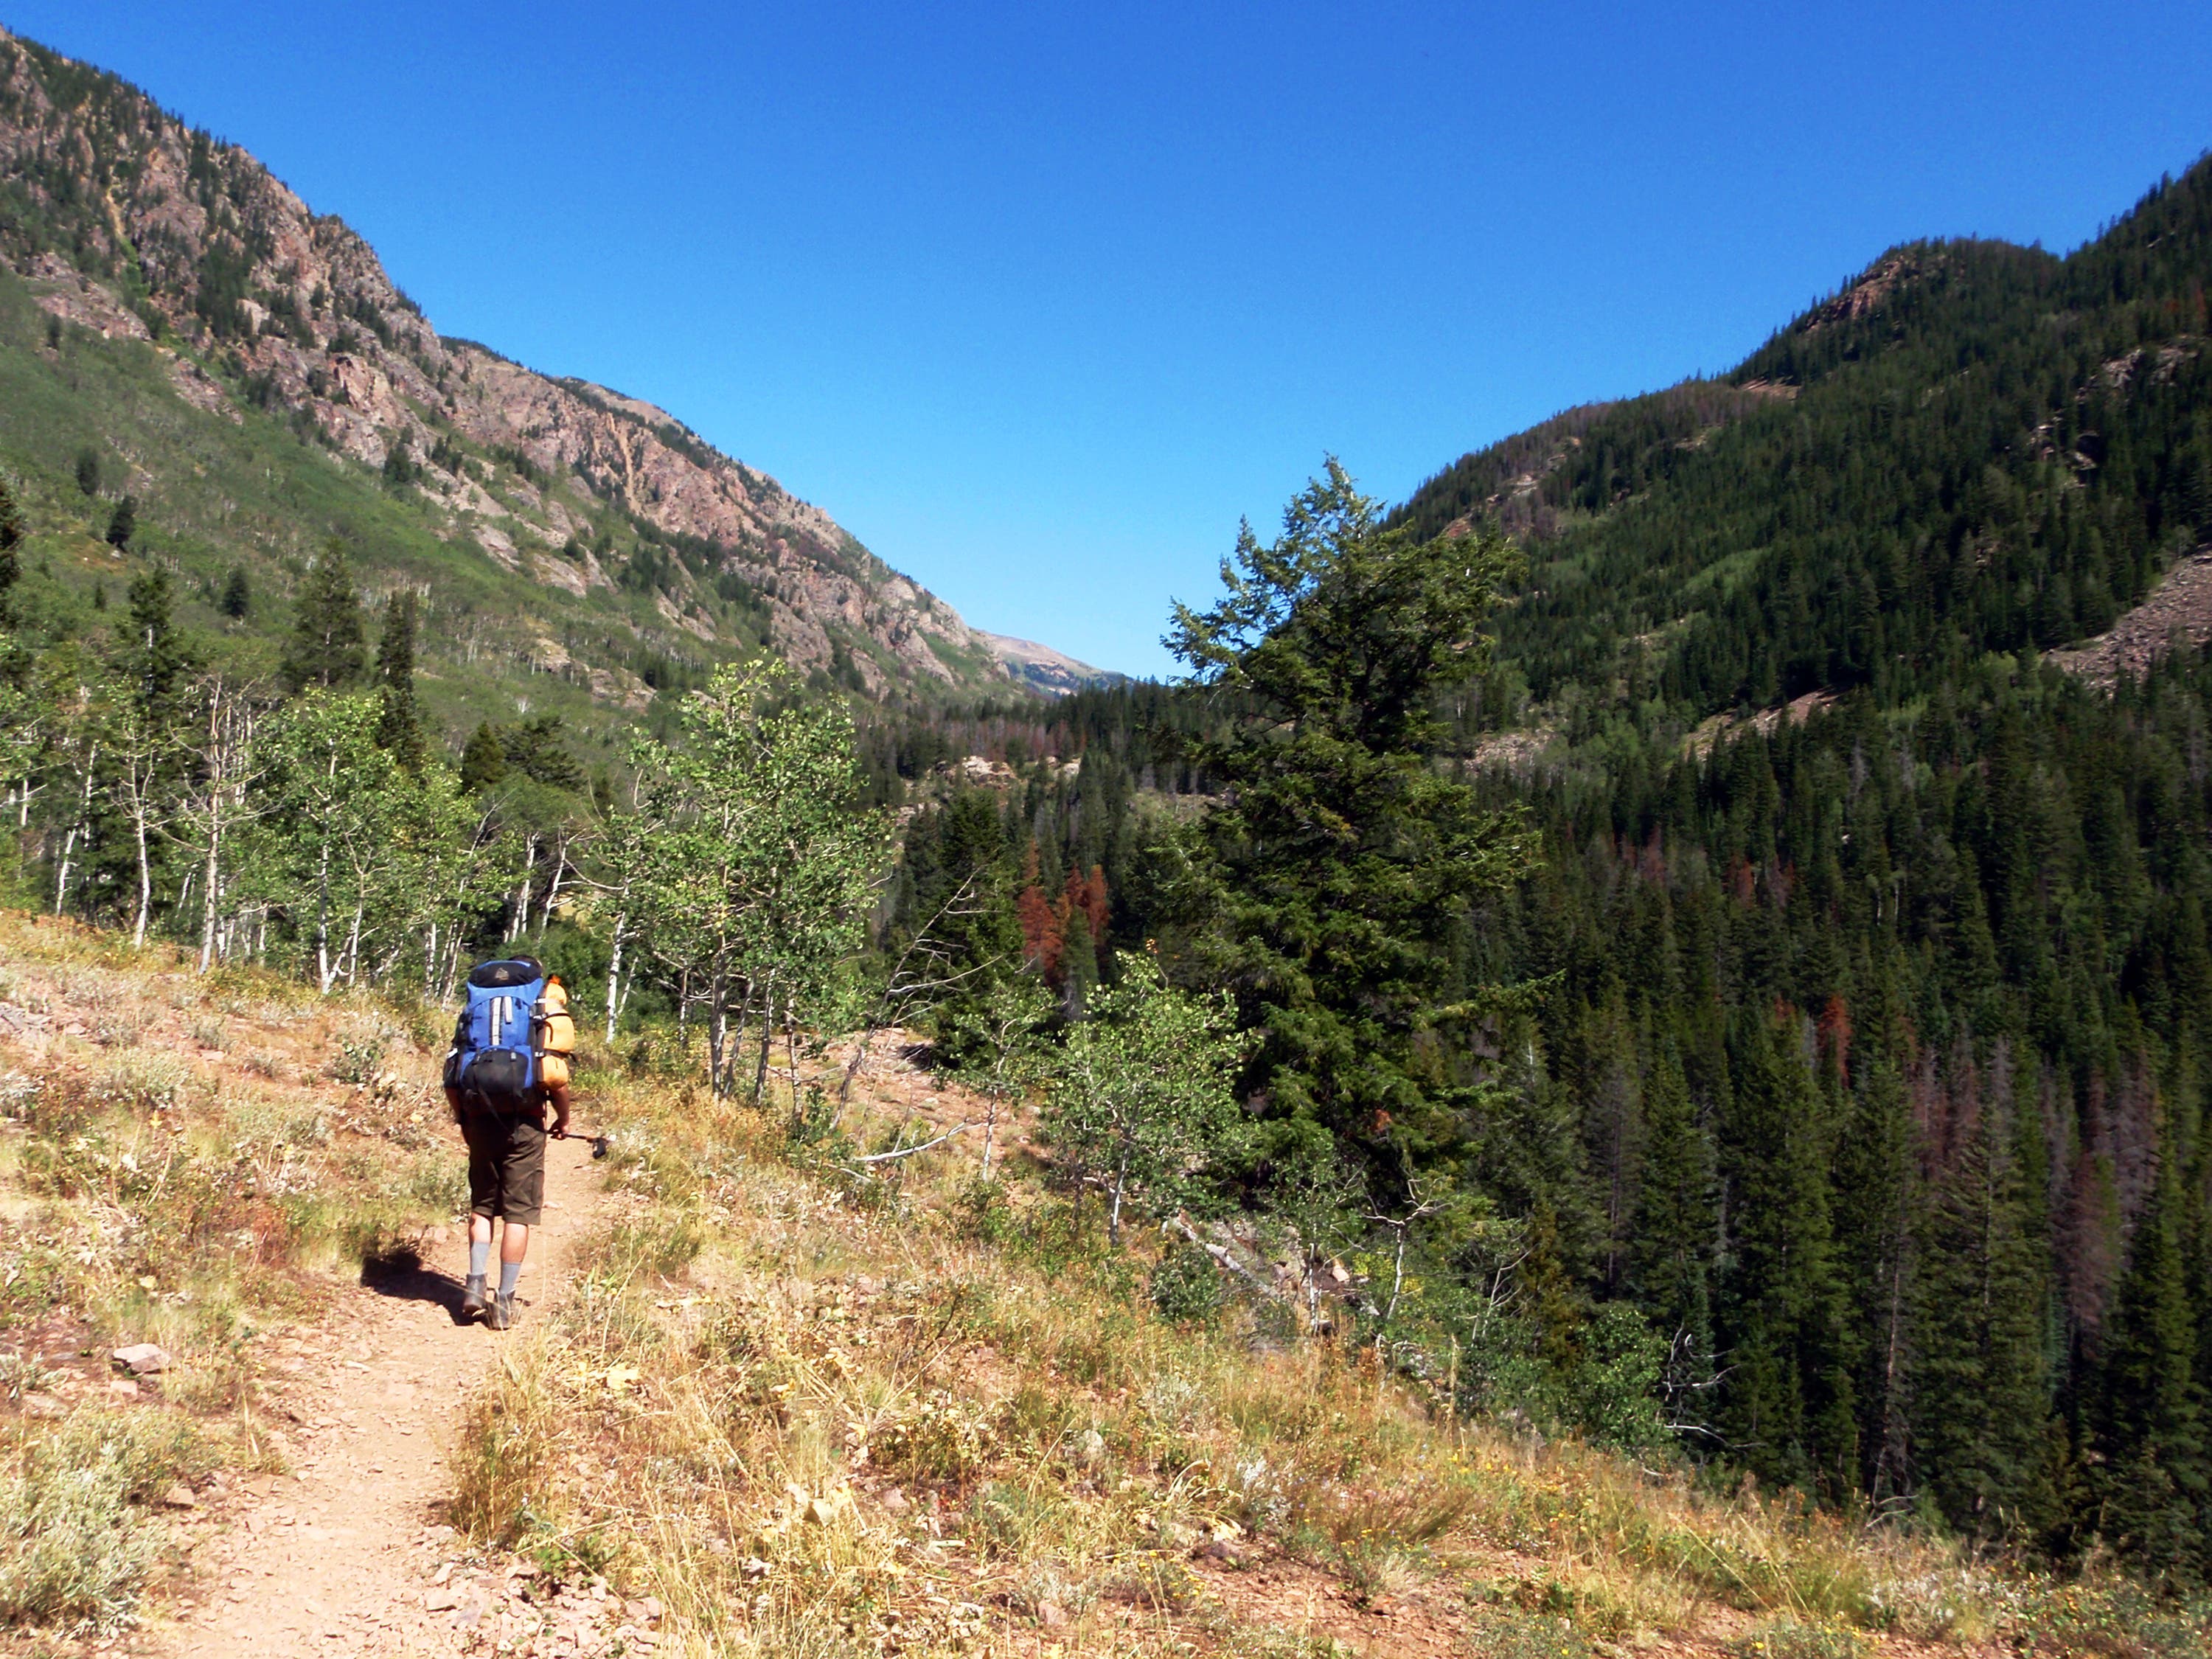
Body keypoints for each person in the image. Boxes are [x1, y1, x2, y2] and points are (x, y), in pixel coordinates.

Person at [442, 960, 577, 1329]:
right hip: (526, 1123)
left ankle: (473, 1286)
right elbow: (557, 1081)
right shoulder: (537, 1011)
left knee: (482, 1206)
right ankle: (503, 1302)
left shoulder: (477, 1013)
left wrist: (464, 1120)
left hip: (481, 1114)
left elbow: (452, 1078)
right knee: (518, 1214)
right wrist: (563, 1121)